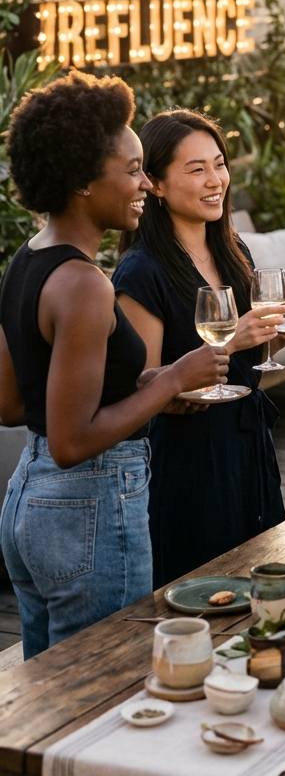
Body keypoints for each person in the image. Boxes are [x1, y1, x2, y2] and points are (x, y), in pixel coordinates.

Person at [0, 76, 228, 658]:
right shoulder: (85, 285)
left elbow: (13, 403)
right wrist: (175, 377)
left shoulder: (28, 261)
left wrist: (142, 384)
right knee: (102, 687)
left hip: (29, 498)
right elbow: (74, 441)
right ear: (81, 181)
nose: (146, 185)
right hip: (90, 506)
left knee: (46, 702)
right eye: (132, 171)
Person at [112, 110, 285, 588]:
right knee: (205, 596)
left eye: (219, 164)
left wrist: (281, 333)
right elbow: (145, 395)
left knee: (265, 586)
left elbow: (244, 352)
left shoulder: (233, 250)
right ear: (156, 184)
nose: (215, 180)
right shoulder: (142, 272)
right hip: (188, 465)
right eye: (196, 169)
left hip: (247, 447)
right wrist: (235, 339)